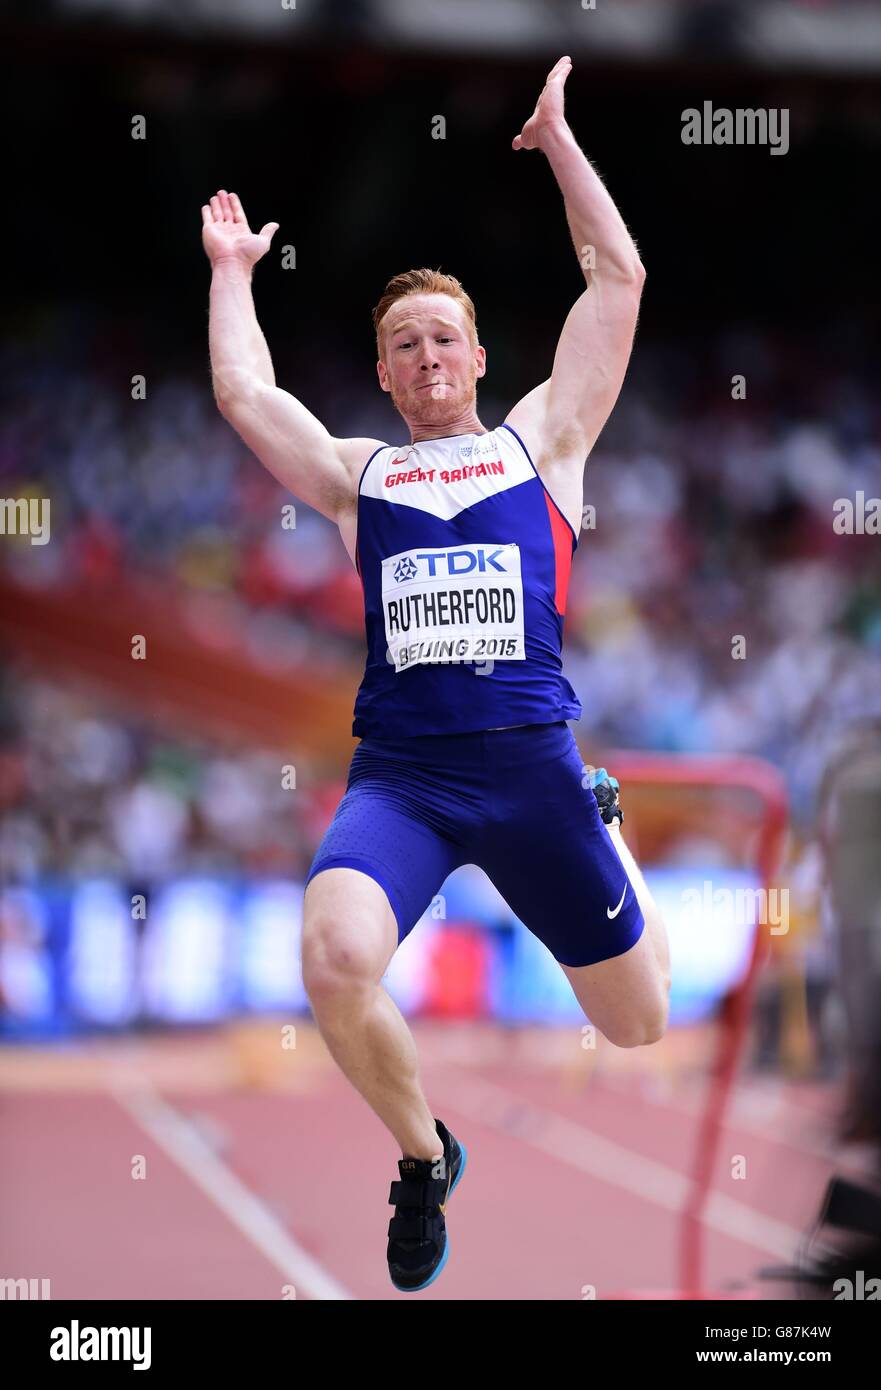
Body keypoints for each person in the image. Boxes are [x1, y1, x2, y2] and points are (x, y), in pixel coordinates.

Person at [203, 55, 671, 1293]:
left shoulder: (543, 445)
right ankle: (424, 1155)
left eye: (442, 339)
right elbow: (245, 391)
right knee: (333, 960)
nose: (423, 357)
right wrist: (234, 276)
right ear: (385, 375)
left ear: (474, 356)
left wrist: (559, 145)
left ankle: (603, 824)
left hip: (531, 773)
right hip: (401, 781)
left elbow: (616, 278)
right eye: (401, 344)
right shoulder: (360, 478)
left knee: (637, 1022)